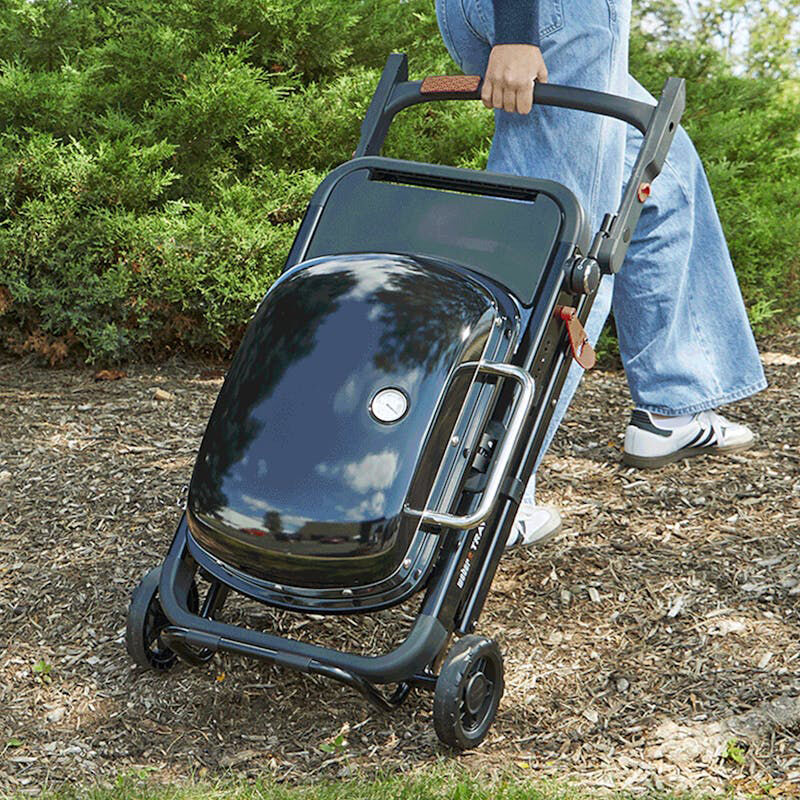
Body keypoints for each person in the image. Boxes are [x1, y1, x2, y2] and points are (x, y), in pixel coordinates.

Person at [435, 0, 767, 548]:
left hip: (518, 14)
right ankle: (479, 493)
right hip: (548, 13)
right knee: (568, 251)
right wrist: (520, 31)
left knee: (665, 163)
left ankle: (668, 407)